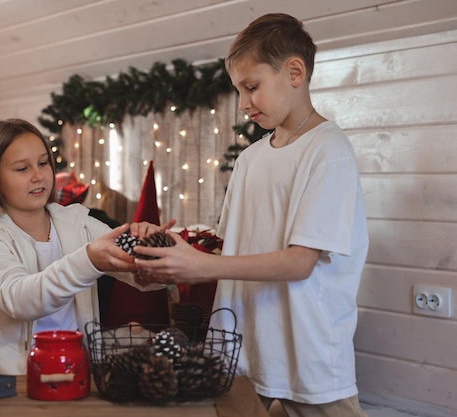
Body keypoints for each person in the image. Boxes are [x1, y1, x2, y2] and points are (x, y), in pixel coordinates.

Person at [133, 13, 369, 417]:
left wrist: (201, 266)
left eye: (251, 87)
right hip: (240, 341)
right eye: (238, 90)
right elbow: (236, 247)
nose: (243, 103)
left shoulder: (328, 152)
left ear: (294, 71)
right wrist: (173, 256)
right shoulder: (249, 159)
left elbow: (300, 262)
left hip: (308, 346)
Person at [0, 118, 157, 375]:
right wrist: (88, 261)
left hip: (77, 370)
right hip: (9, 379)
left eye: (43, 163)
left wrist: (152, 249)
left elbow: (143, 274)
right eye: (22, 168)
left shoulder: (78, 222)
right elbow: (22, 300)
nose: (39, 175)